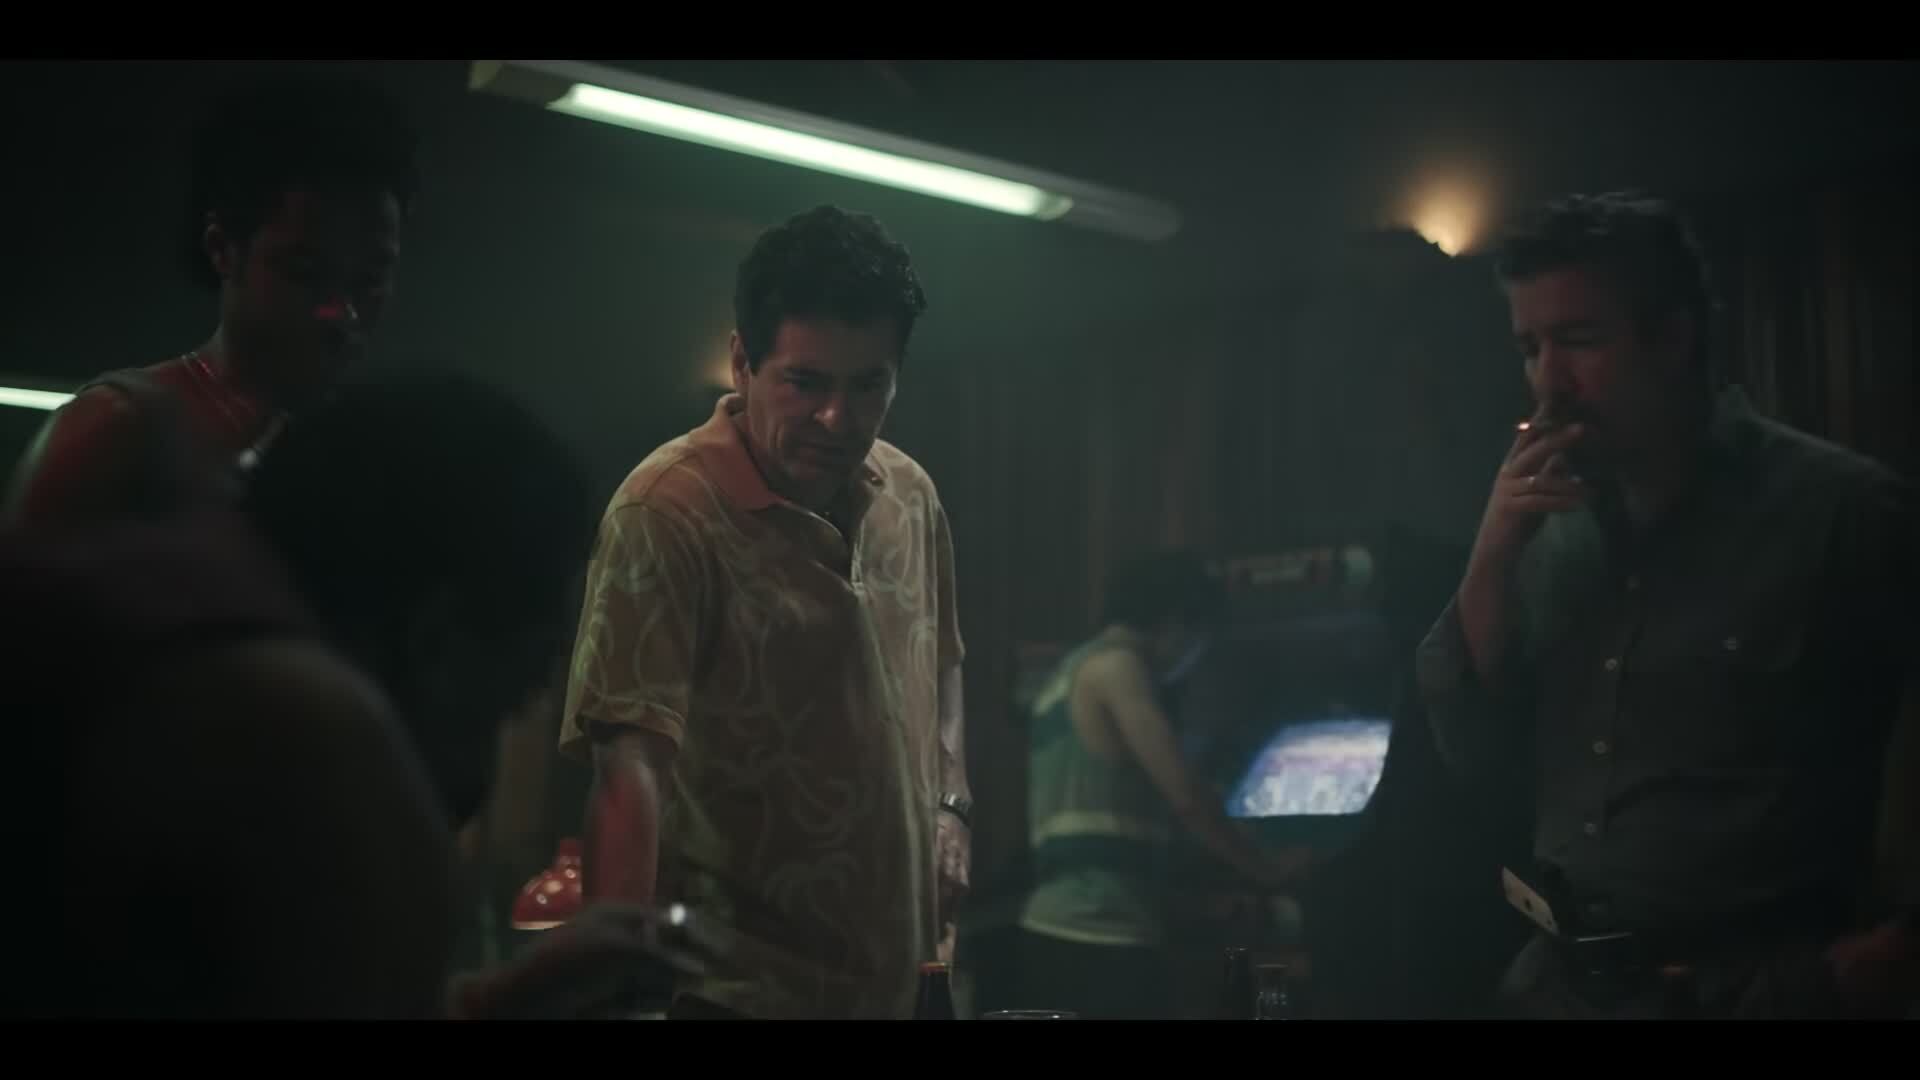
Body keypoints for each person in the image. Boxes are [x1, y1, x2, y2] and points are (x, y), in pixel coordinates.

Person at [1, 373, 705, 1018]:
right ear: (439, 640)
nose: (484, 763)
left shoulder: (144, 632)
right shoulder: (316, 740)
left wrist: (502, 997)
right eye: (507, 696)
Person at [1414, 191, 1920, 1018]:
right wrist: (1490, 559)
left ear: (1674, 338)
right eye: (1531, 349)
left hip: (1761, 990)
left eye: (1580, 340)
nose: (1551, 383)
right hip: (1565, 991)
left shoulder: (1841, 511)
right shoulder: (1547, 532)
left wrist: (1884, 957)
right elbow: (1471, 753)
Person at [560, 205, 968, 1019]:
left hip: (909, 982)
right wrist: (616, 997)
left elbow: (944, 663)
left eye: (868, 386)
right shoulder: (665, 511)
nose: (837, 419)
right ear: (743, 362)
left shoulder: (911, 495)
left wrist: (952, 807)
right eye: (805, 382)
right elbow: (630, 772)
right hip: (738, 994)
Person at [3, 71, 417, 527]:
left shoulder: (373, 447)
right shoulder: (115, 431)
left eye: (370, 279)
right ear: (223, 249)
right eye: (305, 273)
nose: (341, 312)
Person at [1013, 550, 1311, 1018]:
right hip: (1102, 935)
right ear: (1177, 623)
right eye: (1200, 643)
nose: (1194, 660)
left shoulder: (1065, 674)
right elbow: (1185, 794)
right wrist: (1266, 867)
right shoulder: (1119, 668)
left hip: (1053, 928)